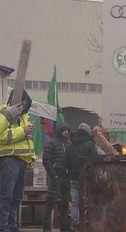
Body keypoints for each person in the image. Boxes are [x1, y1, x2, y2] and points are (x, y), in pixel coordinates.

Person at [0, 89, 35, 232]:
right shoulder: (3, 113)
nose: (24, 108)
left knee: (16, 197)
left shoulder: (25, 116)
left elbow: (27, 141)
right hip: (9, 160)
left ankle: (11, 225)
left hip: (21, 161)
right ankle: (3, 227)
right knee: (6, 196)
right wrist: (23, 132)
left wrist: (31, 156)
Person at [64, 123, 99, 231]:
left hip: (73, 177)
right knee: (88, 200)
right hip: (87, 177)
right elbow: (96, 160)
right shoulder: (90, 144)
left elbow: (66, 163)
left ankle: (75, 223)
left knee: (75, 201)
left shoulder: (70, 145)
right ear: (88, 132)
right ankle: (88, 222)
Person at [42, 122, 71, 232]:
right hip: (55, 178)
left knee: (65, 203)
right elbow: (46, 160)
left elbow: (71, 160)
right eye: (64, 130)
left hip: (66, 177)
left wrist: (69, 173)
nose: (66, 132)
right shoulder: (51, 144)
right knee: (50, 203)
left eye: (67, 130)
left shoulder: (69, 144)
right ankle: (46, 228)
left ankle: (63, 227)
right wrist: (53, 174)